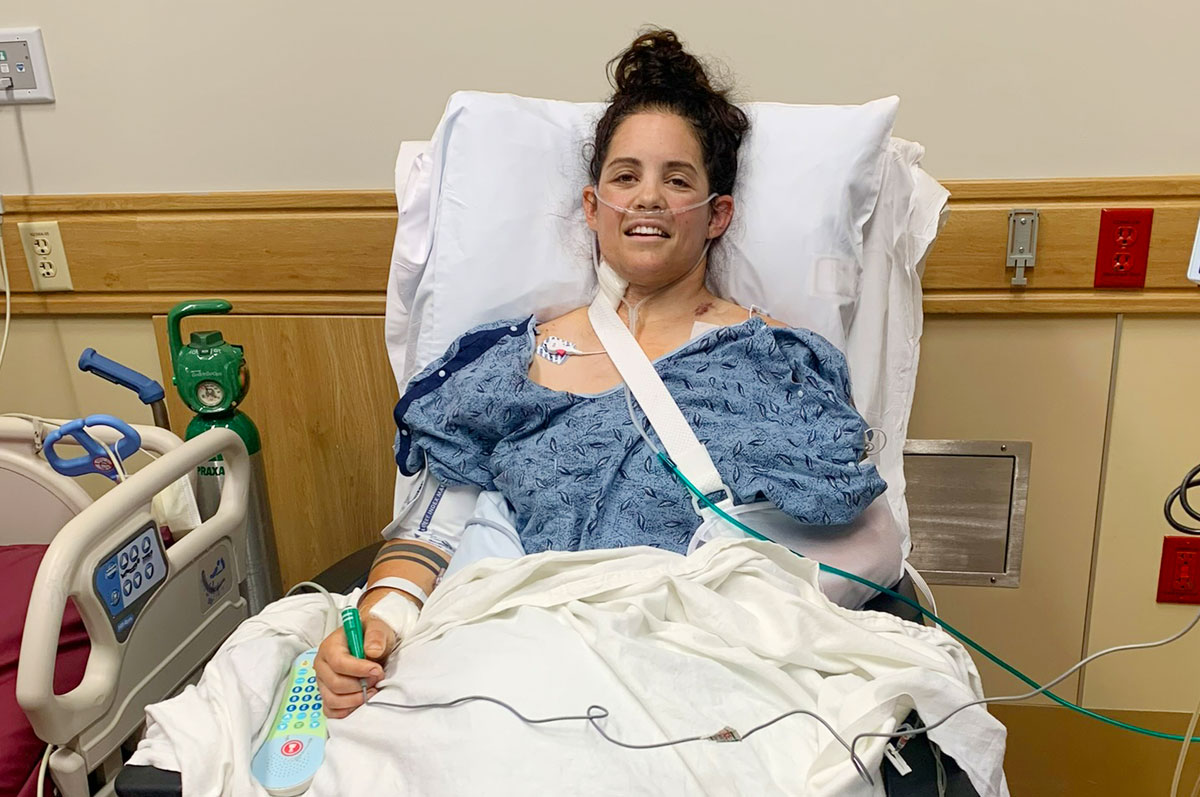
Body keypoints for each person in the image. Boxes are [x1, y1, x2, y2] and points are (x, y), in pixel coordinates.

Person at [315, 28, 889, 718]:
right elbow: (431, 532)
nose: (648, 197)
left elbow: (832, 546)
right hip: (508, 669)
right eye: (625, 176)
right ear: (593, 207)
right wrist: (381, 619)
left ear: (717, 215)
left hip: (695, 680)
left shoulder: (777, 365)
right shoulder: (506, 365)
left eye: (678, 179)